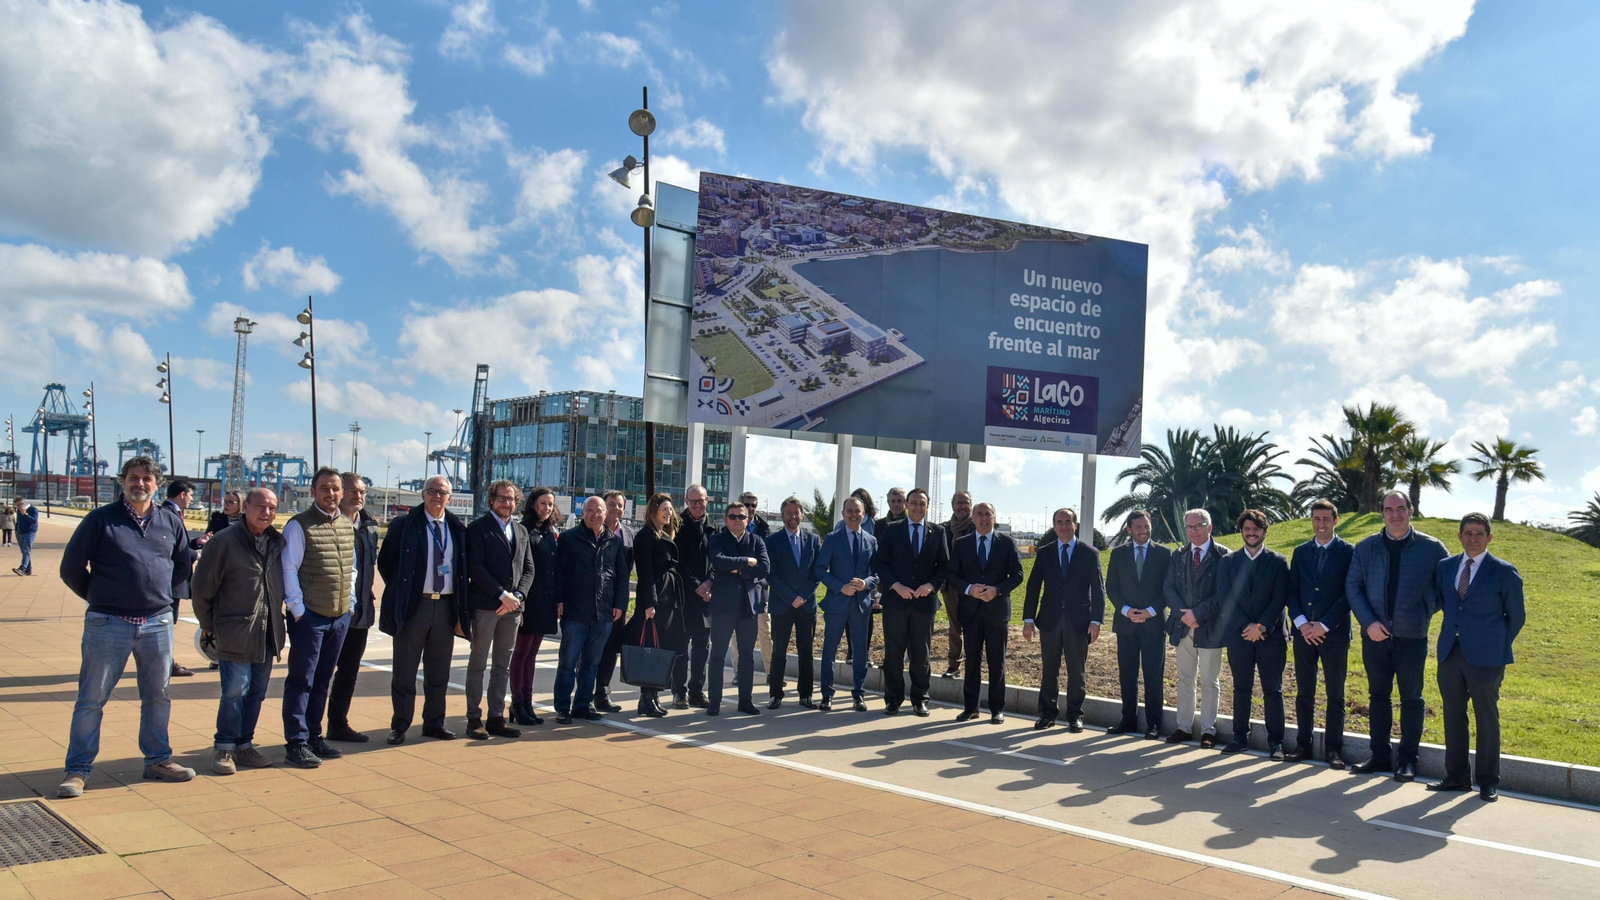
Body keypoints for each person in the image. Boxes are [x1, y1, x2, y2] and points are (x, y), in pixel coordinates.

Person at [56, 457, 196, 798]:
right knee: (92, 698)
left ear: (157, 484)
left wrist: (159, 596)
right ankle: (78, 770)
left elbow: (182, 565)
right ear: (123, 481)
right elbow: (71, 568)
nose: (140, 483)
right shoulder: (100, 520)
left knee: (158, 696)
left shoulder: (170, 521)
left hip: (157, 623)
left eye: (147, 478)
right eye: (134, 477)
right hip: (108, 623)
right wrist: (102, 596)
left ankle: (158, 760)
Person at [1346, 490, 1448, 781]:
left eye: (1400, 508)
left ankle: (1407, 761)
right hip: (1375, 637)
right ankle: (1379, 756)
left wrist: (1423, 611)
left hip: (1412, 636)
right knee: (1378, 696)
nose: (1395, 514)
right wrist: (1369, 623)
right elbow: (1353, 587)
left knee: (1412, 699)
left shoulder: (1432, 548)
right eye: (1389, 510)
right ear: (1382, 514)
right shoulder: (1366, 547)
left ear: (1411, 511)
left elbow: (1445, 588)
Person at [1426, 513, 1524, 802]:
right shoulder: (1445, 567)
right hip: (1450, 652)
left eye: (1479, 533)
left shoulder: (1504, 571)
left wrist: (1495, 643)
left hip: (1488, 657)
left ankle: (1487, 781)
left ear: (1489, 537)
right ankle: (1456, 777)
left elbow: (1516, 616)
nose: (1473, 538)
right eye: (1468, 533)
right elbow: (1446, 603)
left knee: (1486, 717)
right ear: (1459, 536)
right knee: (1453, 714)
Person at [191, 487, 284, 775]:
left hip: (267, 632)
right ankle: (224, 747)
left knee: (256, 692)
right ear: (246, 507)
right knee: (234, 691)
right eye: (260, 506)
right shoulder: (224, 541)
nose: (266, 512)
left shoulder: (277, 542)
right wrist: (210, 627)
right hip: (234, 631)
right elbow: (201, 590)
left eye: (272, 508)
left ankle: (244, 745)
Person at [378, 475, 470, 744]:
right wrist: (404, 591)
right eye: (432, 491)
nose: (437, 496)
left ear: (449, 498)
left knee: (439, 672)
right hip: (414, 606)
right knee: (404, 671)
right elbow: (386, 563)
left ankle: (434, 723)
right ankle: (400, 726)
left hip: (445, 607)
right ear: (423, 494)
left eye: (442, 492)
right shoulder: (404, 525)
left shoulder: (456, 528)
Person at [278, 467, 355, 768]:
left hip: (339, 617)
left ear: (342, 492)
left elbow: (351, 567)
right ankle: (296, 743)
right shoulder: (299, 525)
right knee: (302, 681)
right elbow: (289, 569)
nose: (330, 493)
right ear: (313, 491)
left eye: (335, 488)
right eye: (324, 488)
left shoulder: (346, 523)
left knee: (323, 680)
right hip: (310, 617)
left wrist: (350, 604)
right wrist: (299, 612)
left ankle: (313, 736)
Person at [1210, 510, 1291, 757]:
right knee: (1241, 688)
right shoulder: (1228, 562)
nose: (1251, 533)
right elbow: (1225, 598)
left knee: (1273, 690)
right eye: (1247, 528)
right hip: (1239, 636)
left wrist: (1261, 626)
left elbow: (1280, 598)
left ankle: (1276, 743)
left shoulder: (1279, 561)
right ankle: (1239, 738)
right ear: (1242, 531)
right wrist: (1246, 626)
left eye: (1256, 528)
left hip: (1271, 637)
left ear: (1265, 531)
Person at [462, 480, 535, 740]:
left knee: (502, 665)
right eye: (502, 498)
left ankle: (496, 717)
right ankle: (473, 718)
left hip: (513, 609)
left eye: (511, 499)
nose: (507, 503)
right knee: (478, 663)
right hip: (486, 606)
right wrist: (502, 595)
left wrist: (518, 596)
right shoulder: (478, 528)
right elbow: (475, 567)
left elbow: (529, 569)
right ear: (491, 500)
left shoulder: (521, 530)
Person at [1286, 499, 1355, 767]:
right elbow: (1292, 590)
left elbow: (1349, 593)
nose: (1321, 524)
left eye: (1326, 519)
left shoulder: (1349, 552)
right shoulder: (1301, 552)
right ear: (1311, 521)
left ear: (1335, 521)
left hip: (1333, 634)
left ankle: (1333, 750)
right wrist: (1302, 623)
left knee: (1335, 694)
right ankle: (1303, 745)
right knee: (1304, 692)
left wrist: (1323, 625)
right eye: (1316, 519)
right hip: (1303, 634)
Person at [1024, 507, 1104, 731]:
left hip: (1079, 621)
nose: (1064, 526)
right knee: (1049, 669)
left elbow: (1099, 589)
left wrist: (1096, 621)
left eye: (1068, 522)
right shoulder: (1045, 552)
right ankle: (1047, 713)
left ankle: (1075, 715)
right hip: (1050, 620)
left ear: (1075, 525)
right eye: (1059, 522)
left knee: (1077, 671)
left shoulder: (1089, 553)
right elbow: (1033, 587)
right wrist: (1028, 620)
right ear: (1054, 526)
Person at [552, 497, 629, 723]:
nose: (595, 515)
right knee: (568, 663)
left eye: (599, 511)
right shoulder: (568, 538)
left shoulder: (614, 541)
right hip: (574, 611)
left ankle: (583, 705)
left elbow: (622, 576)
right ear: (582, 513)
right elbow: (559, 573)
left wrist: (620, 604)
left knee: (591, 664)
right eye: (590, 511)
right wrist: (559, 601)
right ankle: (562, 707)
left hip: (603, 612)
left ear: (606, 514)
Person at [873, 487, 948, 716]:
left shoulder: (938, 532)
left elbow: (945, 567)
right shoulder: (892, 529)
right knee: (893, 653)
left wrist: (931, 586)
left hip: (924, 604)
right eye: (913, 503)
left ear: (927, 506)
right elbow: (880, 563)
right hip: (896, 602)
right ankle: (893, 699)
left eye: (922, 503)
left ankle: (920, 699)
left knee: (921, 654)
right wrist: (896, 585)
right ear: (907, 505)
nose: (917, 507)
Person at [1163, 509, 1231, 747]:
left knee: (1210, 681)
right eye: (1189, 527)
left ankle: (1208, 731)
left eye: (1198, 526)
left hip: (1211, 628)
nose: (1193, 531)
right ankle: (1183, 727)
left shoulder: (1224, 556)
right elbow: (1168, 588)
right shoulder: (1179, 555)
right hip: (1183, 626)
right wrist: (1185, 615)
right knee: (1185, 679)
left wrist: (1197, 614)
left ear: (1209, 527)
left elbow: (1224, 594)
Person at [952, 502, 1024, 723]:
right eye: (979, 514)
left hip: (997, 611)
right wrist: (969, 589)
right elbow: (952, 575)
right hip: (971, 612)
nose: (984, 518)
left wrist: (997, 590)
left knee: (997, 662)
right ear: (973, 518)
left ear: (994, 517)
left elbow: (1018, 575)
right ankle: (970, 708)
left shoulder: (1007, 543)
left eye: (988, 514)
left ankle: (997, 709)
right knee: (972, 660)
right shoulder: (962, 544)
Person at [1105, 509, 1172, 738]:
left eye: (1146, 526)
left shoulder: (1164, 553)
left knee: (1153, 676)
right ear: (1129, 529)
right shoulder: (1118, 554)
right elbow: (1111, 587)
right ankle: (1128, 721)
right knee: (1127, 675)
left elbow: (1168, 588)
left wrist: (1150, 612)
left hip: (1153, 625)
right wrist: (1126, 611)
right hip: (1126, 625)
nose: (1143, 531)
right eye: (1138, 527)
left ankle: (1154, 724)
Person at [325, 473, 381, 743]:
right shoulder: (326, 524)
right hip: (328, 612)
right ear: (339, 492)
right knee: (319, 673)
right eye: (352, 491)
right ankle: (305, 731)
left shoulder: (370, 526)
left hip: (359, 613)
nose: (358, 496)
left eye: (362, 492)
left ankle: (337, 724)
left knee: (348, 673)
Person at [619, 493, 683, 717]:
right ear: (653, 511)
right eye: (664, 509)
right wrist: (649, 603)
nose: (669, 513)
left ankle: (653, 696)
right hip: (655, 598)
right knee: (650, 648)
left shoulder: (664, 533)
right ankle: (646, 698)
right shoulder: (645, 536)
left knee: (660, 648)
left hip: (668, 598)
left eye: (670, 509)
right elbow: (645, 573)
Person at [706, 501, 771, 716]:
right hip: (723, 606)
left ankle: (745, 701)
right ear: (726, 519)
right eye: (732, 516)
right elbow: (718, 561)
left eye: (741, 517)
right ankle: (714, 701)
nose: (737, 520)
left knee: (747, 656)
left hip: (748, 606)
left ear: (748, 519)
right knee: (717, 654)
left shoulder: (757, 540)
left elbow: (764, 567)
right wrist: (747, 561)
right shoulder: (717, 539)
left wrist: (738, 569)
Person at [816, 496, 878, 711]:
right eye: (849, 511)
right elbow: (820, 569)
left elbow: (877, 573)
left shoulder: (871, 540)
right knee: (829, 650)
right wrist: (840, 586)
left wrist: (866, 583)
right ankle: (826, 695)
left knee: (860, 652)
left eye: (857, 511)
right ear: (843, 514)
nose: (853, 515)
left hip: (861, 605)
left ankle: (859, 694)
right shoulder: (832, 539)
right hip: (837, 603)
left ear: (863, 514)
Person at [509, 486, 560, 726]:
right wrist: (519, 600)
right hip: (527, 600)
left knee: (532, 654)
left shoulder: (550, 532)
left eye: (550, 504)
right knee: (520, 653)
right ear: (532, 504)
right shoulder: (522, 530)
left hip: (545, 601)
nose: (547, 508)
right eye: (542, 503)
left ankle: (527, 702)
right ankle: (517, 702)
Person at [765, 496, 821, 709]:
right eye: (788, 513)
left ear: (802, 514)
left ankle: (806, 695)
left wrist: (802, 596)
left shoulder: (813, 540)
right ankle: (775, 694)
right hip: (782, 605)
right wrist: (791, 598)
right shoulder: (772, 541)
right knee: (779, 652)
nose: (793, 516)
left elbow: (817, 572)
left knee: (806, 652)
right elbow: (771, 575)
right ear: (783, 515)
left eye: (796, 512)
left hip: (806, 605)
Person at [593, 491, 637, 714]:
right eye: (612, 504)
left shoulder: (629, 534)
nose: (616, 509)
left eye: (620, 505)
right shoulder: (595, 530)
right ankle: (584, 694)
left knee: (611, 650)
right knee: (591, 650)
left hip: (619, 601)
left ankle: (602, 694)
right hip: (595, 599)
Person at [673, 484, 715, 709]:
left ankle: (696, 691)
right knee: (681, 649)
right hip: (683, 598)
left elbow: (717, 560)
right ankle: (679, 693)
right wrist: (697, 586)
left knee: (702, 649)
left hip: (706, 599)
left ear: (707, 500)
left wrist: (709, 582)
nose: (697, 505)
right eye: (693, 501)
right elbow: (677, 562)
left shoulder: (714, 527)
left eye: (701, 500)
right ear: (686, 502)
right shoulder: (677, 525)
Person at [162, 480, 208, 678]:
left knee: (167, 623)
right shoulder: (168, 514)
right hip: (171, 580)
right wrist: (196, 555)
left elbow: (179, 543)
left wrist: (196, 543)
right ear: (182, 494)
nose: (191, 499)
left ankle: (165, 663)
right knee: (166, 624)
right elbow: (173, 547)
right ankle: (166, 664)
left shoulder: (172, 513)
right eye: (190, 495)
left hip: (173, 579)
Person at [739, 491, 774, 680]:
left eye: (754, 505)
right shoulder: (733, 526)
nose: (751, 508)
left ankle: (771, 672)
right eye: (747, 504)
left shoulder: (764, 529)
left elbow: (765, 562)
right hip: (738, 587)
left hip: (760, 588)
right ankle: (738, 672)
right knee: (737, 634)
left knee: (765, 631)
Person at [940, 491, 974, 677]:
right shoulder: (944, 529)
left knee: (972, 627)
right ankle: (954, 665)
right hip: (950, 586)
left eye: (965, 502)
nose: (962, 506)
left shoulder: (977, 527)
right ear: (952, 505)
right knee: (954, 628)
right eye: (958, 503)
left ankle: (973, 666)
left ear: (971, 504)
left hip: (971, 587)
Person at [13, 498, 38, 575]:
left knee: (26, 550)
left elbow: (34, 521)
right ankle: (28, 570)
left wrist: (25, 514)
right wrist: (16, 530)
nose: (18, 507)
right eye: (16, 505)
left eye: (19, 505)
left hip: (30, 532)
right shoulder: (18, 511)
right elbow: (18, 521)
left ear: (24, 503)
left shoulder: (33, 509)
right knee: (25, 552)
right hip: (20, 533)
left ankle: (22, 568)